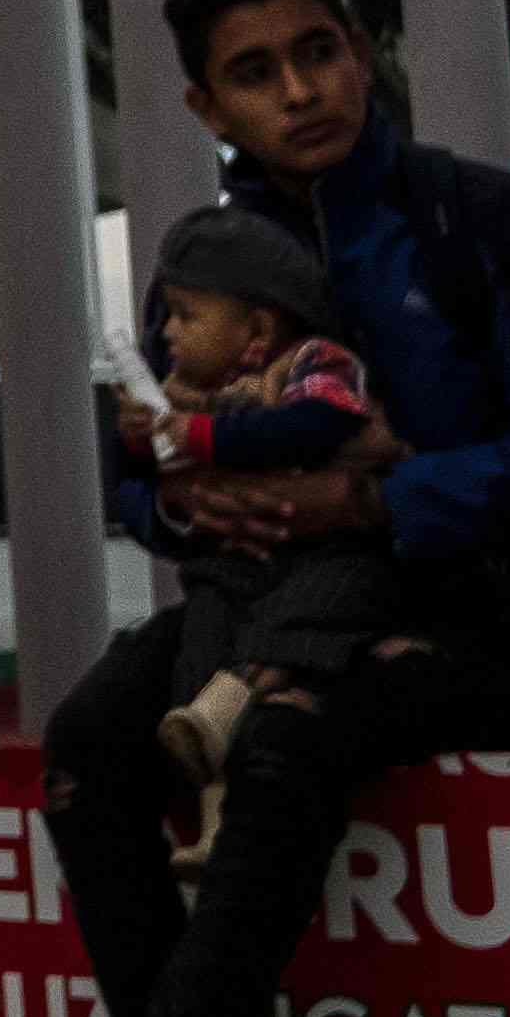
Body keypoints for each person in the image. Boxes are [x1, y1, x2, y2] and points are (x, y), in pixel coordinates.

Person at [1, 0, 510, 1017]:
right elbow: (147, 462)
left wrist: (373, 505)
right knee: (84, 738)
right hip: (257, 613)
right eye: (255, 73)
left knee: (288, 737)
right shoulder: (207, 256)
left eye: (320, 50)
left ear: (359, 49)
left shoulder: (479, 217)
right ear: (206, 109)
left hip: (468, 626)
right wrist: (194, 510)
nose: (302, 89)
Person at [108, 205, 401, 827]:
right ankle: (212, 811)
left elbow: (315, 425)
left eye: (187, 316)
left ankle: (242, 688)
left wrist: (201, 436)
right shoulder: (187, 387)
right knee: (199, 646)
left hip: (320, 560)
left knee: (319, 607)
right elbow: (136, 485)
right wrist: (147, 444)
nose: (167, 334)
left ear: (260, 326)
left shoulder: (314, 366)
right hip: (232, 568)